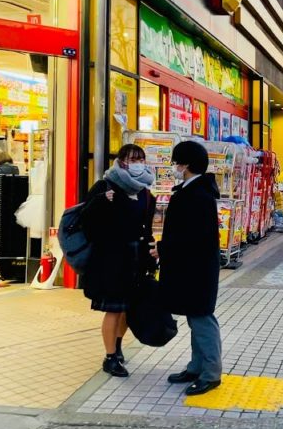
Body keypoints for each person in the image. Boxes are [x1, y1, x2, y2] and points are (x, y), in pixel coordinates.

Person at [155, 141, 222, 396]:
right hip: (192, 267)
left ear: (187, 165)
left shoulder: (198, 196)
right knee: (196, 317)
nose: (175, 167)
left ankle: (211, 373)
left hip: (197, 268)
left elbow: (191, 236)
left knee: (202, 318)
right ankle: (196, 366)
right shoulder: (191, 191)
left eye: (177, 162)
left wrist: (163, 248)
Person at [83, 145, 156, 378]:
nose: (137, 163)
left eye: (141, 159)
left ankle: (117, 344)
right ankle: (110, 357)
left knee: (127, 310)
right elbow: (85, 219)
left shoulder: (146, 193)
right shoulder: (105, 186)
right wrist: (101, 202)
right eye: (132, 159)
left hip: (136, 260)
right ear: (121, 161)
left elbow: (146, 228)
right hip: (111, 261)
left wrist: (152, 255)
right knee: (113, 310)